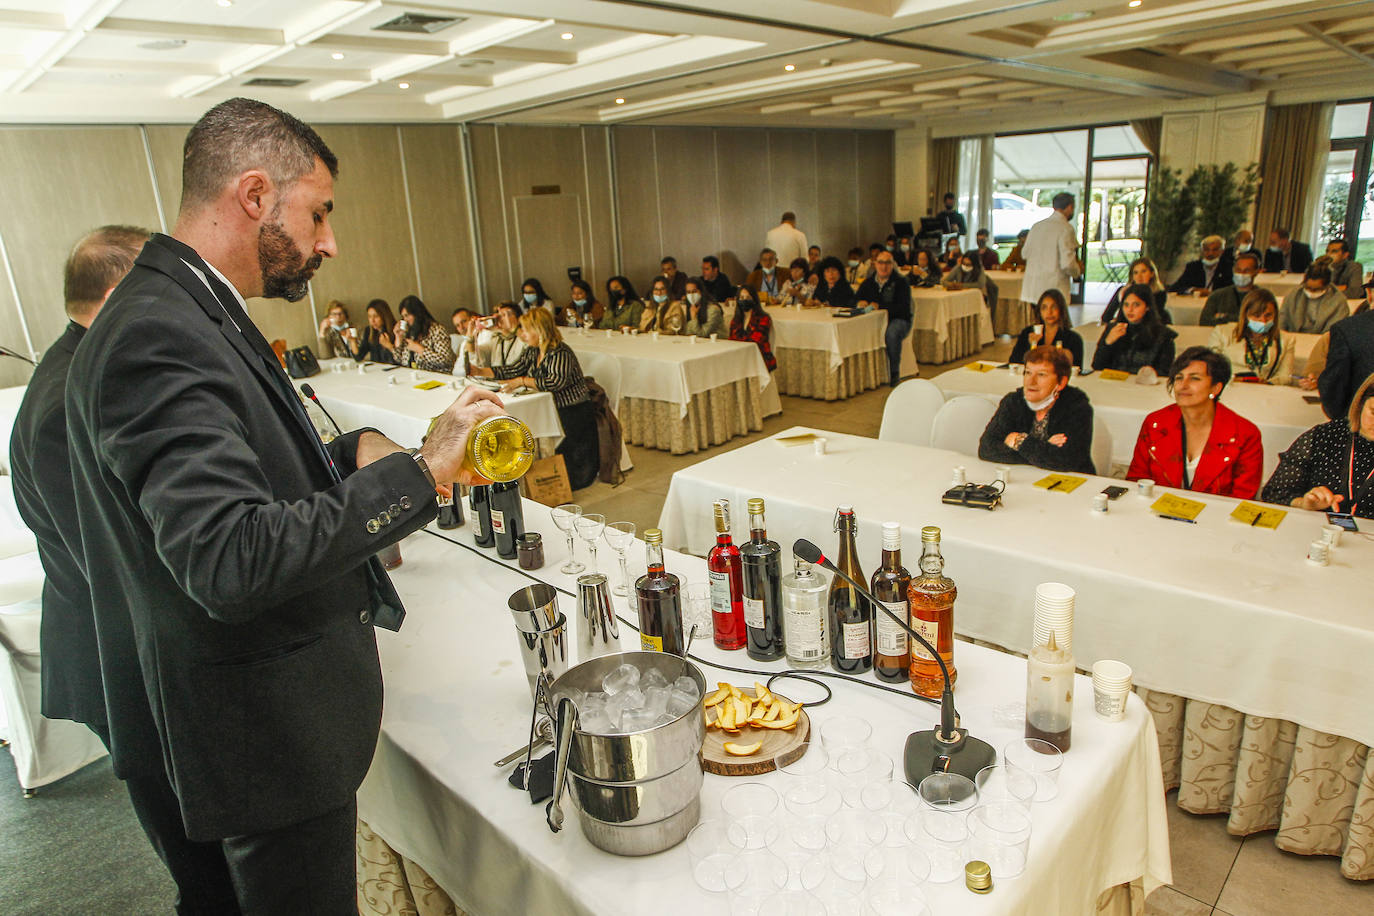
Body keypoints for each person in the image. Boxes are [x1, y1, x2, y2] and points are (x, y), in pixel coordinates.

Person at [63, 98, 506, 911]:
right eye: (319, 212)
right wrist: (424, 472)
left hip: (250, 730)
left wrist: (353, 458)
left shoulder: (185, 309)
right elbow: (229, 558)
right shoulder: (159, 331)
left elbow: (245, 479)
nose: (329, 241)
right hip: (258, 742)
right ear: (256, 195)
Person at [12, 225, 246, 912]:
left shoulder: (77, 367)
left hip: (128, 646)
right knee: (202, 867)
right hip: (124, 663)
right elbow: (116, 562)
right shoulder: (69, 399)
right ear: (119, 292)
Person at [473, 308, 599, 491]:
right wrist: (480, 372)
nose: (522, 335)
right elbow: (513, 369)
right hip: (550, 408)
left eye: (525, 330)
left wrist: (522, 381)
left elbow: (555, 382)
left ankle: (562, 481)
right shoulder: (533, 351)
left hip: (572, 411)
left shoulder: (560, 352)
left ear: (539, 330)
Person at [1126, 347, 1263, 498]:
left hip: (1216, 517)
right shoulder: (1155, 423)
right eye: (1179, 378)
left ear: (1216, 387)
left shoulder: (1244, 434)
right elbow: (1136, 480)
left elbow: (1243, 498)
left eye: (1194, 378)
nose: (1183, 385)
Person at [1262, 371, 1374, 520]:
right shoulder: (1326, 436)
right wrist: (1305, 503)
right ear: (1360, 404)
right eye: (1373, 412)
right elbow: (1274, 492)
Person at [978, 345, 1095, 474]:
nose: (1031, 381)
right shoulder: (1013, 402)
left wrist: (1019, 440)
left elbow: (1066, 461)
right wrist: (1043, 448)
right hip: (1024, 478)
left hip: (1073, 482)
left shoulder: (1077, 408)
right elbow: (986, 449)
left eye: (1041, 375)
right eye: (1028, 372)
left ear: (1061, 382)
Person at [1208, 288, 1294, 385]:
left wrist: (1268, 383)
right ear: (1245, 315)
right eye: (1256, 316)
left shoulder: (1286, 340)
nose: (1263, 320)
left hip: (1265, 390)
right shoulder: (1222, 332)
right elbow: (1212, 370)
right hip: (1231, 387)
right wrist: (1235, 380)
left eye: (1268, 315)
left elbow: (1285, 377)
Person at [1092, 283, 1177, 376]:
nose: (1130, 310)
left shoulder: (1163, 335)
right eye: (1126, 305)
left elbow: (1165, 373)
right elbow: (1097, 366)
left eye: (1136, 305)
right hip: (1114, 383)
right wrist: (1107, 344)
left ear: (1147, 307)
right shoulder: (1113, 328)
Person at [855, 250, 912, 386]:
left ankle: (894, 373)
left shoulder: (901, 283)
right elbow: (853, 300)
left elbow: (903, 308)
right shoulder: (868, 283)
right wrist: (858, 303)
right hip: (873, 321)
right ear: (875, 264)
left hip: (898, 320)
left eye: (887, 263)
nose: (884, 266)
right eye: (880, 263)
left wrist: (881, 306)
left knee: (891, 333)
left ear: (892, 265)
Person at [1021, 192, 1083, 309]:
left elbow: (1024, 254)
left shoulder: (1036, 226)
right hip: (1054, 287)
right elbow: (1067, 263)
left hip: (1033, 288)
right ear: (1070, 207)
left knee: (1038, 325)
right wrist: (1077, 271)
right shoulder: (1066, 228)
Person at [1318, 303, 1374, 419]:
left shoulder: (1347, 330)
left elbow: (1333, 394)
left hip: (1358, 427)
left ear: (1369, 294)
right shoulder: (1348, 330)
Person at [1009, 288, 1084, 368]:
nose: (1049, 312)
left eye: (1054, 307)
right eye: (1044, 308)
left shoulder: (1073, 338)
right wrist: (1031, 345)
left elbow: (1076, 369)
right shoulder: (1028, 332)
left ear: (1061, 310)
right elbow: (1014, 362)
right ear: (1039, 311)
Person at [1279, 263, 1348, 334]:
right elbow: (1282, 320)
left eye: (1316, 289)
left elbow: (1334, 330)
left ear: (1327, 286)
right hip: (1294, 338)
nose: (1311, 292)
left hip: (1323, 340)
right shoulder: (1293, 295)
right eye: (1308, 288)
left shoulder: (1339, 301)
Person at [1101, 257, 1171, 324]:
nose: (1139, 276)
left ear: (1152, 274)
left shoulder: (1159, 293)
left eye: (1143, 272)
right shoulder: (1124, 291)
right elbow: (1106, 317)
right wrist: (1122, 300)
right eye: (1135, 273)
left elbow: (1151, 319)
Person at [396, 294, 456, 372]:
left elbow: (446, 360)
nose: (405, 320)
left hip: (438, 377)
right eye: (403, 317)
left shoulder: (437, 330)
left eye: (407, 316)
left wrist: (421, 350)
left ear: (417, 314)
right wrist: (398, 337)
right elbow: (400, 360)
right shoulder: (411, 333)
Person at [1200, 251, 1262, 326]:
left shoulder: (1262, 297)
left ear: (1256, 272)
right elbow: (1204, 321)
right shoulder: (1217, 295)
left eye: (1247, 270)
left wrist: (1224, 317)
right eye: (1238, 270)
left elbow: (1260, 322)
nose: (1241, 274)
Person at [729, 284, 776, 371]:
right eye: (742, 298)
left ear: (754, 299)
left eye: (748, 297)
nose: (744, 300)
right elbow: (731, 341)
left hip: (759, 360)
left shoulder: (764, 318)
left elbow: (755, 341)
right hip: (739, 360)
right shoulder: (735, 320)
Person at [467, 301, 525, 371]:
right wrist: (470, 337)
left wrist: (513, 328)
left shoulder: (524, 337)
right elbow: (477, 359)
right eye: (500, 316)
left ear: (519, 319)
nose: (503, 319)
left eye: (507, 315)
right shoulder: (497, 339)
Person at [1167, 235, 1233, 295]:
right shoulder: (1193, 267)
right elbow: (1175, 288)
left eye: (1215, 250)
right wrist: (1193, 290)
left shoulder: (1229, 267)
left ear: (1222, 251)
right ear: (1202, 251)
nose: (1210, 253)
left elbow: (1232, 290)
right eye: (1206, 250)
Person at [353, 298, 400, 364]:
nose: (372, 320)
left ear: (384, 316)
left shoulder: (396, 330)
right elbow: (358, 357)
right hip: (377, 370)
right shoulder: (368, 331)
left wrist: (389, 346)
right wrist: (352, 341)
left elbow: (401, 361)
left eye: (376, 316)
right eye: (369, 316)